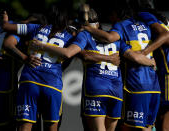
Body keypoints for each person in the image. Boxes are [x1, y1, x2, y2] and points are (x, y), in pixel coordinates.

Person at [28, 4, 158, 131]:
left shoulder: (84, 35)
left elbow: (77, 54)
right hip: (116, 91)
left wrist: (41, 45)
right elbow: (133, 56)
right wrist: (150, 62)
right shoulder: (115, 38)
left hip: (96, 88)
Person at [81, 1, 163, 130]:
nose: (109, 19)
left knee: (129, 127)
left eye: (111, 15)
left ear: (116, 14)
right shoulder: (144, 25)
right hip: (154, 85)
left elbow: (109, 38)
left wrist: (87, 28)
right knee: (148, 127)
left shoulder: (121, 26)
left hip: (136, 84)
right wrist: (150, 60)